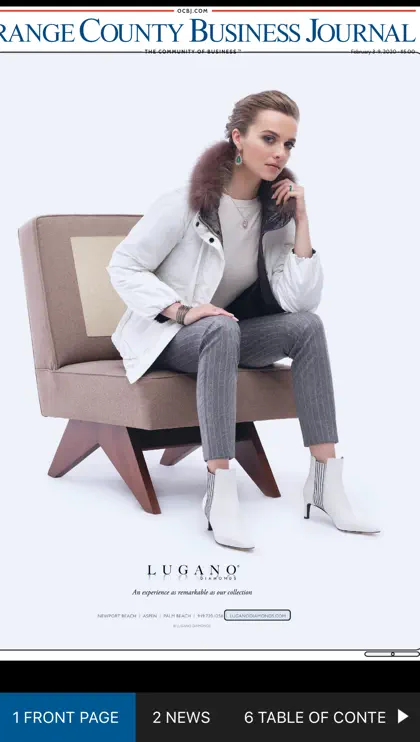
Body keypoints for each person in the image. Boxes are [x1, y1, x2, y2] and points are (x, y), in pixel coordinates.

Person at [106, 90, 380, 549]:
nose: (280, 153)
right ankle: (220, 489)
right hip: (167, 336)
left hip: (226, 334)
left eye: (288, 144)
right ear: (237, 138)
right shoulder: (186, 204)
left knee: (307, 328)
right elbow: (123, 266)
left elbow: (300, 301)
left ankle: (324, 483)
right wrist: (182, 310)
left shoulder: (275, 214)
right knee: (218, 326)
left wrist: (301, 221)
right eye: (269, 139)